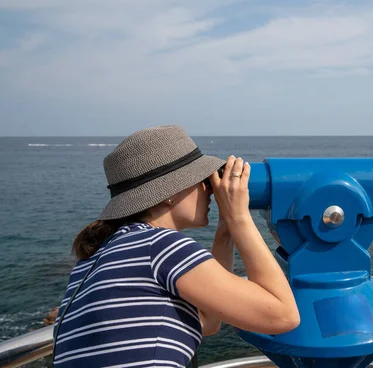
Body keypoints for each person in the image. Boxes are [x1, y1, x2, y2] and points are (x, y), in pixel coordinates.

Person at [52, 125, 300, 368]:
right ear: (169, 191)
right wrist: (240, 218)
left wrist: (226, 231)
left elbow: (209, 320)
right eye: (202, 180)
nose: (209, 190)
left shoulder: (94, 259)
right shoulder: (159, 246)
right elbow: (283, 315)